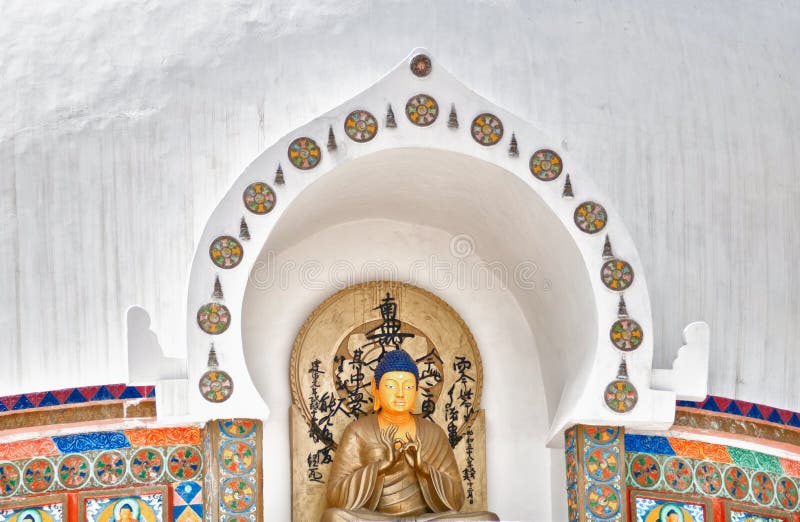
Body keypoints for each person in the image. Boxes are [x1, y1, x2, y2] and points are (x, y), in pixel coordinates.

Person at [321, 349, 499, 521]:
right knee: (334, 517)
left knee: (489, 519)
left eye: (408, 386)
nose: (400, 394)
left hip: (425, 520)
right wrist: (380, 467)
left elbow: (457, 499)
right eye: (391, 385)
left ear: (416, 392)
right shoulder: (358, 431)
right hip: (376, 519)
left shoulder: (433, 433)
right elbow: (336, 496)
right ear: (376, 389)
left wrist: (425, 470)